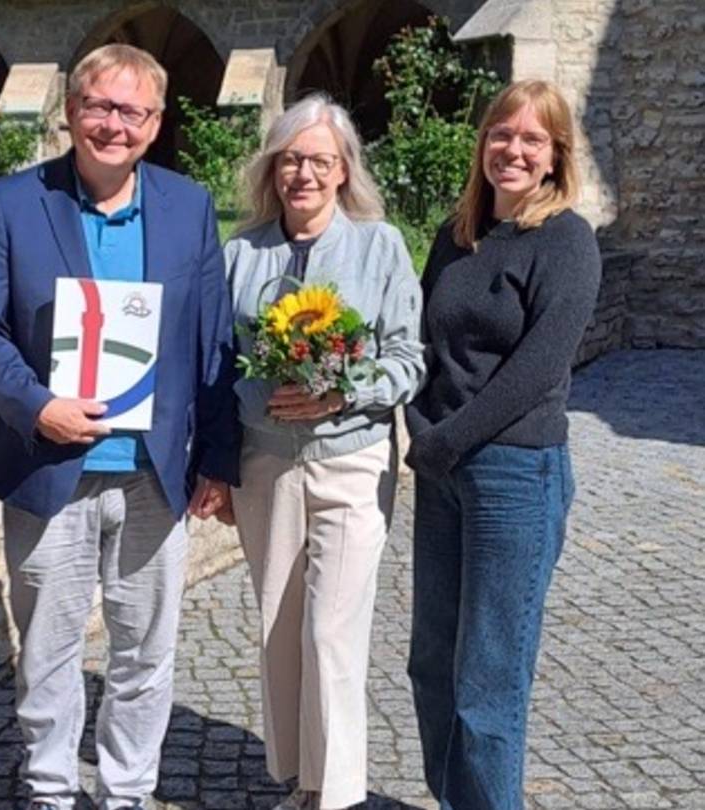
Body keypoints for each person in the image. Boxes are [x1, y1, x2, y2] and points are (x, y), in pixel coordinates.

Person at [0, 43, 240, 810]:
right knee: (48, 650)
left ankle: (125, 792)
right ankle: (50, 791)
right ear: (72, 111)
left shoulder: (188, 206)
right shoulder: (16, 201)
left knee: (145, 651)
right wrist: (35, 405)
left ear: (155, 123)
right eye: (100, 107)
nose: (114, 125)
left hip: (156, 473)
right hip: (50, 466)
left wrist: (218, 459)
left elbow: (214, 340)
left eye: (133, 111)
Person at [221, 94, 425, 810]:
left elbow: (408, 358)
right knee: (278, 625)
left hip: (353, 457)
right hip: (264, 463)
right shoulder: (242, 252)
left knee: (329, 628)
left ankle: (335, 797)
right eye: (290, 159)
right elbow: (215, 367)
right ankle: (301, 780)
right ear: (273, 169)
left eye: (318, 160)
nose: (302, 173)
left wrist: (344, 391)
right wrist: (214, 468)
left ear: (344, 171)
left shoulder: (381, 246)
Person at [405, 79, 600, 810]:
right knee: (431, 665)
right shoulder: (456, 239)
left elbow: (540, 369)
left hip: (516, 472)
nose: (512, 150)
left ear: (555, 157)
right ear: (482, 143)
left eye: (531, 139)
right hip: (445, 467)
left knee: (488, 682)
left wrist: (442, 438)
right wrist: (419, 425)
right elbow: (424, 342)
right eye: (500, 134)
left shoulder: (567, 242)